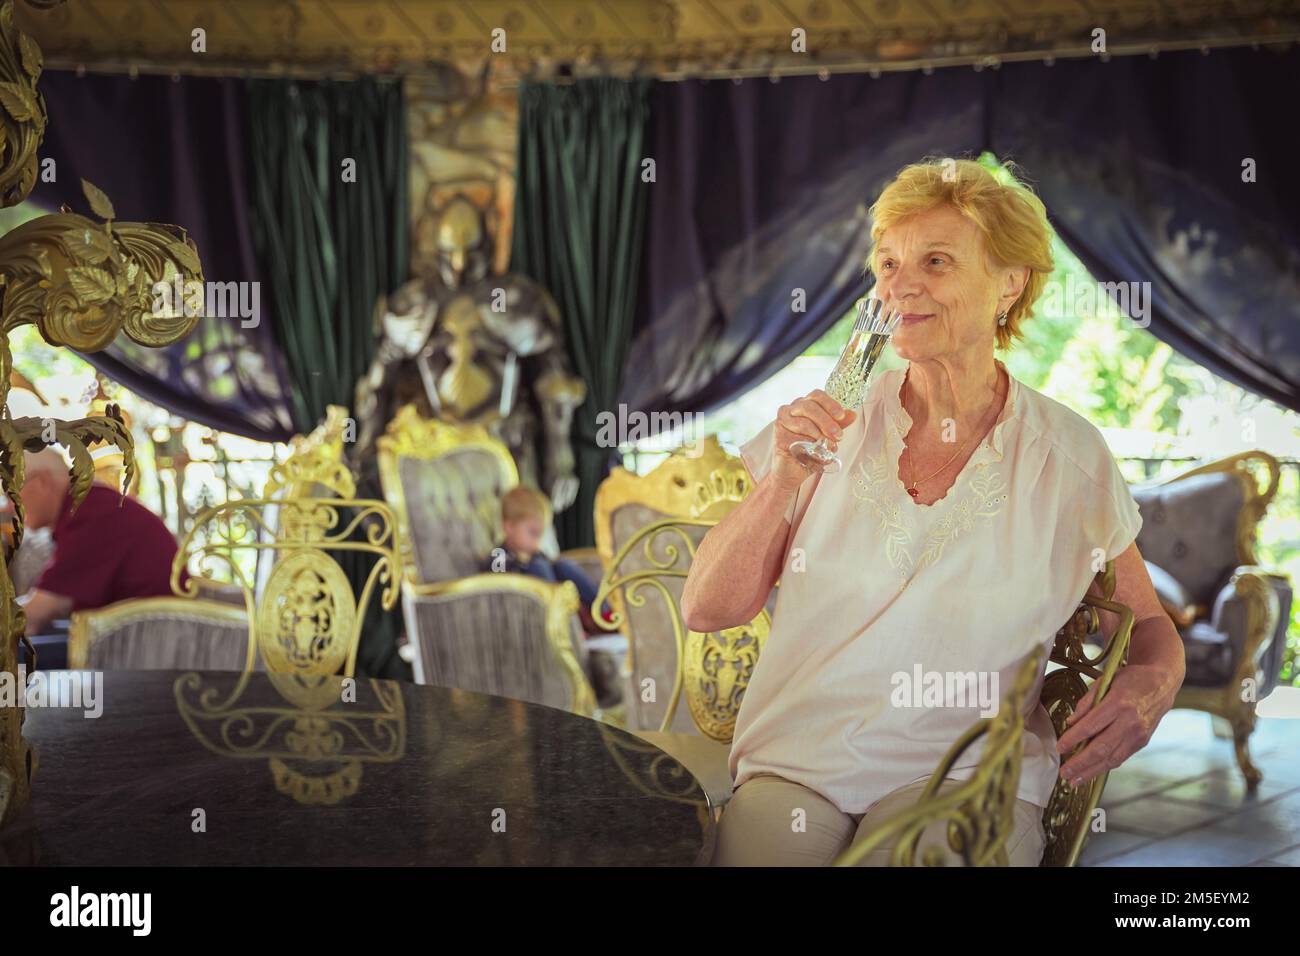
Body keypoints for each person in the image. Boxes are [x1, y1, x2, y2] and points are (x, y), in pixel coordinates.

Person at [681, 157, 1186, 866]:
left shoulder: (1068, 456)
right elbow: (707, 609)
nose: (900, 284)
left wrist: (1155, 682)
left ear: (1009, 282)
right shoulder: (825, 425)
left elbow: (1150, 626)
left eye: (936, 261)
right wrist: (780, 482)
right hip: (796, 764)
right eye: (887, 264)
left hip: (961, 772)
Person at [13, 448, 185, 636]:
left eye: (12, 492)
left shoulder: (92, 512)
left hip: (148, 643)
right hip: (134, 637)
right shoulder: (88, 503)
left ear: (41, 482)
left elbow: (37, 613)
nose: (8, 505)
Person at [481, 485, 610, 634]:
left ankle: (603, 612)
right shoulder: (499, 555)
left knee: (562, 565)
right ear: (509, 527)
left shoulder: (536, 554)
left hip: (557, 601)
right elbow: (497, 586)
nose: (537, 542)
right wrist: (523, 565)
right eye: (532, 533)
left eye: (540, 535)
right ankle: (563, 626)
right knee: (538, 566)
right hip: (524, 612)